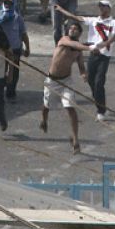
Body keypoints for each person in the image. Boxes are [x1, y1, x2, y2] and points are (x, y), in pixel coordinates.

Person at [40, 21, 91, 153]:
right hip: (52, 80)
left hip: (66, 81)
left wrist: (84, 74)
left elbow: (81, 66)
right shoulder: (64, 40)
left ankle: (75, 140)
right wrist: (89, 47)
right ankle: (44, 121)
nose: (72, 30)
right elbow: (73, 44)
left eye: (75, 29)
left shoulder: (78, 50)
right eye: (71, 28)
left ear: (80, 32)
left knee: (70, 108)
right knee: (46, 106)